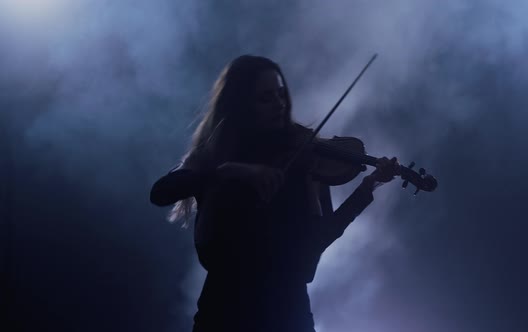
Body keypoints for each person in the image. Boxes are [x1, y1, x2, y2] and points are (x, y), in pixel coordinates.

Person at [150, 55, 398, 332]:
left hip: (288, 313)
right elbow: (161, 192)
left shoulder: (305, 157)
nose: (279, 104)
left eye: (281, 94)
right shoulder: (216, 154)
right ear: (241, 104)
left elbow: (317, 243)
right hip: (224, 313)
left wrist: (366, 189)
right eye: (265, 98)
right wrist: (229, 171)